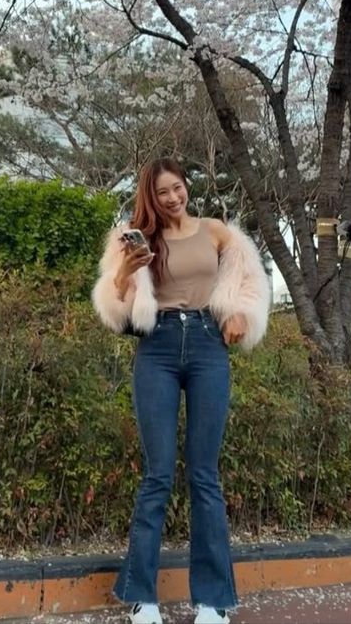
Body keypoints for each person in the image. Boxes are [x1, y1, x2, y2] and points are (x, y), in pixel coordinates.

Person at [92, 157, 270, 624]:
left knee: (205, 476)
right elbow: (115, 306)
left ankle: (212, 600)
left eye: (177, 188)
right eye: (162, 192)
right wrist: (125, 272)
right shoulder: (134, 237)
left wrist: (241, 313)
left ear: (187, 186)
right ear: (150, 198)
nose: (172, 198)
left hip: (209, 346)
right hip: (158, 347)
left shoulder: (216, 231)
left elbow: (249, 280)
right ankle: (141, 596)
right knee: (158, 475)